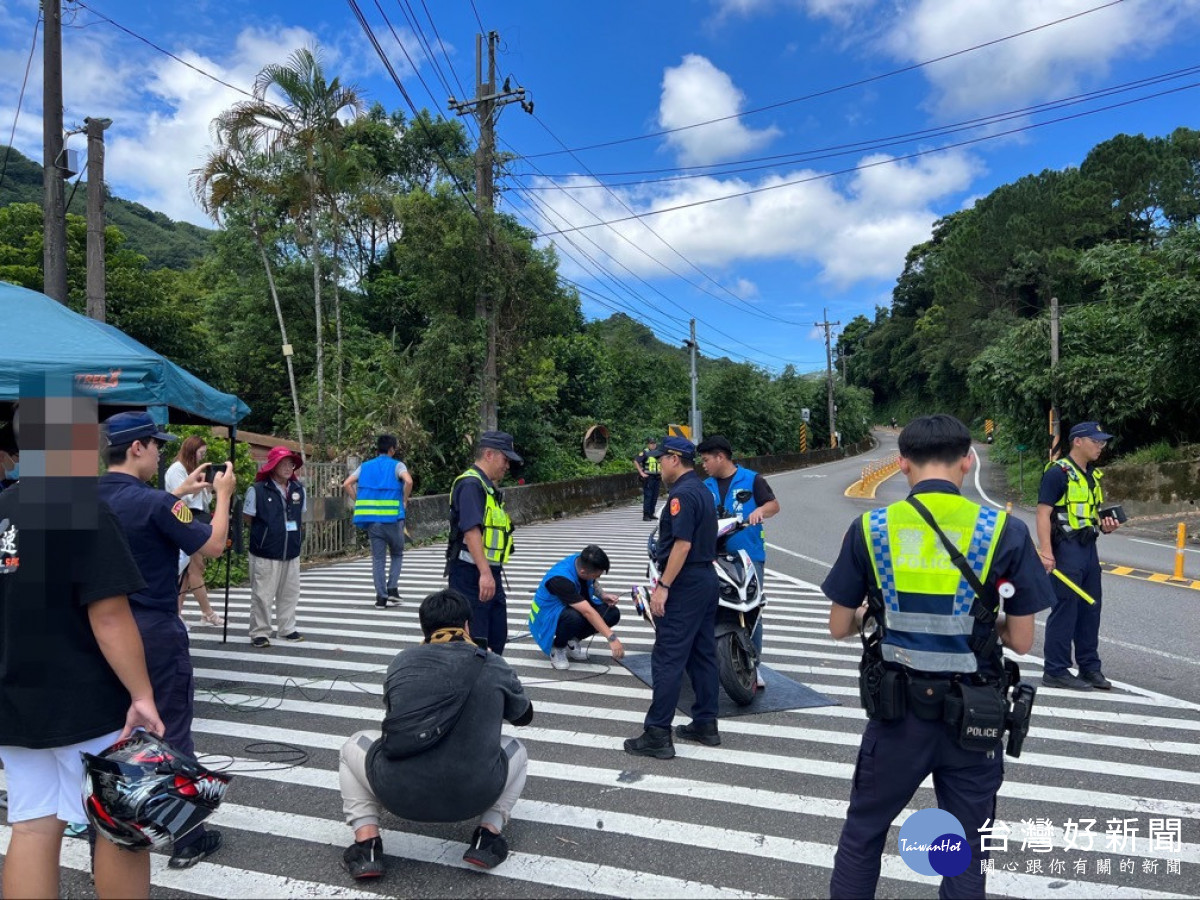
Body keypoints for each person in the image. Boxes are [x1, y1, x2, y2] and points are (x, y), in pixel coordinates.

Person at [822, 414, 1053, 899]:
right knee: (965, 846)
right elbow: (1024, 642)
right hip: (974, 719)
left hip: (895, 717)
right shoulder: (1003, 531)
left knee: (863, 834)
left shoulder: (871, 527)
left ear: (902, 464)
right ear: (967, 462)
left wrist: (875, 610)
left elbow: (839, 626)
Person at [0, 395, 164, 899]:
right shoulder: (82, 508)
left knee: (31, 825)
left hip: (15, 700)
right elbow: (110, 615)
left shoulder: (4, 507)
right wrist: (142, 694)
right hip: (86, 700)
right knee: (120, 828)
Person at [97, 410, 235, 869]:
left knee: (111, 730)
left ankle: (109, 823)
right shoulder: (157, 503)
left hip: (96, 632)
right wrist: (222, 496)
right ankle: (187, 837)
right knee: (170, 728)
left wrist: (180, 493)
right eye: (156, 446)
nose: (159, 454)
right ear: (137, 448)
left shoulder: (82, 499)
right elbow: (212, 544)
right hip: (152, 629)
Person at [337, 589, 533, 879]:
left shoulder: (402, 661)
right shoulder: (494, 664)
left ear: (424, 628)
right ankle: (487, 836)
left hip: (398, 793)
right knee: (517, 748)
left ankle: (367, 845)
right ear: (468, 625)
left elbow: (394, 714)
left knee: (352, 744)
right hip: (475, 794)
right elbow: (524, 716)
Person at [624, 436, 719, 759]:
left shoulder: (682, 496)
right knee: (703, 653)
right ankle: (706, 723)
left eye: (662, 459)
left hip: (684, 581)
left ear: (675, 459)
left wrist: (663, 586)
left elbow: (681, 545)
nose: (659, 464)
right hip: (706, 579)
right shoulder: (704, 490)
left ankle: (657, 733)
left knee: (668, 656)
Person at [1036, 421, 1122, 691]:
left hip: (1088, 549)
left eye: (1102, 442)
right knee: (1066, 609)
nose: (1101, 446)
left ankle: (1089, 668)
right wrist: (1047, 552)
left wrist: (1106, 526)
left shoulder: (1091, 476)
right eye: (1096, 441)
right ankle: (1056, 670)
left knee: (1090, 608)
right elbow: (1042, 513)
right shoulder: (1057, 473)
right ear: (1078, 442)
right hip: (1065, 549)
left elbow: (1090, 515)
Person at [696, 435, 780, 687]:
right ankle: (717, 661)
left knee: (751, 609)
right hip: (713, 557)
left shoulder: (752, 479)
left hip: (748, 555)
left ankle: (754, 666)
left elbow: (774, 505)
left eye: (707, 459)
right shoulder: (705, 485)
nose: (704, 464)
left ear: (720, 457)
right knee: (714, 608)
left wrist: (760, 511)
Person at [446, 431, 521, 654]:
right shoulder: (471, 484)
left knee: (496, 635)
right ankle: (475, 685)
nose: (507, 466)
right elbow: (471, 531)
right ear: (489, 454)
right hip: (472, 574)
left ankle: (489, 683)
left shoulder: (487, 487)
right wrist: (485, 573)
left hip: (487, 572)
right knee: (476, 640)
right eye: (505, 459)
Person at [243, 446, 306, 647]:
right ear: (272, 465)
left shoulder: (298, 489)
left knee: (290, 592)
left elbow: (299, 516)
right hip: (265, 551)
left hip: (291, 550)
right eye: (283, 463)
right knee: (262, 593)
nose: (288, 467)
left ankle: (287, 628)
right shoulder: (258, 489)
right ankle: (260, 631)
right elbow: (248, 518)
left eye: (291, 463)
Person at [528, 544, 625, 670]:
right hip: (546, 617)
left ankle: (571, 641)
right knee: (574, 617)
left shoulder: (581, 560)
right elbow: (587, 612)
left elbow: (592, 582)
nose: (598, 578)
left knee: (612, 613)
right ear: (583, 572)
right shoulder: (560, 579)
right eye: (597, 575)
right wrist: (612, 638)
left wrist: (602, 595)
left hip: (568, 608)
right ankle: (558, 648)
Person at [343, 434, 413, 609]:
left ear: (377, 449)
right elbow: (409, 481)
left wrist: (359, 500)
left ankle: (381, 598)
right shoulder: (397, 465)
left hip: (372, 521)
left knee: (378, 559)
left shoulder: (365, 466)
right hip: (393, 519)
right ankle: (392, 589)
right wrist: (404, 499)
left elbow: (346, 484)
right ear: (392, 449)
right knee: (397, 553)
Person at [165, 435, 223, 627]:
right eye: (200, 453)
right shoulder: (176, 470)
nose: (201, 457)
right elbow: (179, 498)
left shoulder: (191, 470)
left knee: (191, 570)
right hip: (184, 519)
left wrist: (209, 488)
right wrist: (198, 488)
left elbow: (205, 502)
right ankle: (206, 612)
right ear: (191, 451)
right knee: (194, 567)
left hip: (197, 519)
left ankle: (179, 612)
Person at [633, 435, 662, 521]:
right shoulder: (645, 453)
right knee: (648, 496)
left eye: (654, 443)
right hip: (648, 477)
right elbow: (636, 461)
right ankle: (646, 515)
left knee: (655, 496)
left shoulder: (658, 452)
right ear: (648, 444)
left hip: (657, 477)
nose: (653, 445)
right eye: (651, 443)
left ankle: (651, 513)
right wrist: (641, 472)